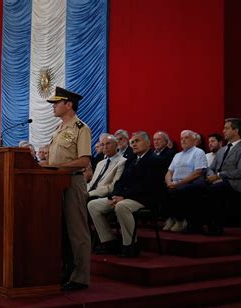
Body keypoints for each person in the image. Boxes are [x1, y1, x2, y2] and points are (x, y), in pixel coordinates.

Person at [40, 86, 91, 291]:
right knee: (60, 232)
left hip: (73, 182)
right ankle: (64, 271)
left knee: (77, 231)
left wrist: (56, 166)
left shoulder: (80, 128)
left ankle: (80, 277)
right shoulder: (59, 129)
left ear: (68, 104)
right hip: (56, 184)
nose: (53, 106)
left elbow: (84, 160)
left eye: (56, 103)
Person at [87, 131, 165, 257]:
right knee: (93, 205)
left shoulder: (156, 160)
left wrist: (123, 196)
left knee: (121, 206)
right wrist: (115, 195)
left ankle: (130, 245)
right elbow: (120, 181)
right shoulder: (133, 160)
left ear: (147, 142)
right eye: (132, 142)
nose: (133, 144)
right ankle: (109, 241)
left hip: (145, 199)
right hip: (125, 197)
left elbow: (146, 186)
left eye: (137, 141)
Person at [205, 118, 241, 235]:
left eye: (226, 128)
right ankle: (195, 224)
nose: (223, 131)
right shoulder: (222, 150)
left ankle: (216, 227)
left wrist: (219, 175)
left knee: (213, 191)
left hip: (233, 185)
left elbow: (240, 172)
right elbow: (210, 168)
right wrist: (212, 176)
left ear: (236, 131)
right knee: (197, 188)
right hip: (217, 182)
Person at [162, 130, 208, 233]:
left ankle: (180, 220)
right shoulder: (177, 155)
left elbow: (197, 172)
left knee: (178, 191)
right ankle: (171, 217)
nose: (183, 140)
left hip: (190, 182)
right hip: (175, 183)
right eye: (181, 138)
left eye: (186, 138)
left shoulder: (198, 152)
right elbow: (169, 172)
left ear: (194, 140)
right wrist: (169, 183)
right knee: (160, 189)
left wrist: (177, 184)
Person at [87, 135, 126, 200]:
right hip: (90, 193)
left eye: (108, 144)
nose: (105, 147)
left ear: (116, 145)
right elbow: (92, 183)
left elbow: (112, 187)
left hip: (103, 196)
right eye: (102, 144)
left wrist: (89, 194)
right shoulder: (100, 163)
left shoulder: (122, 162)